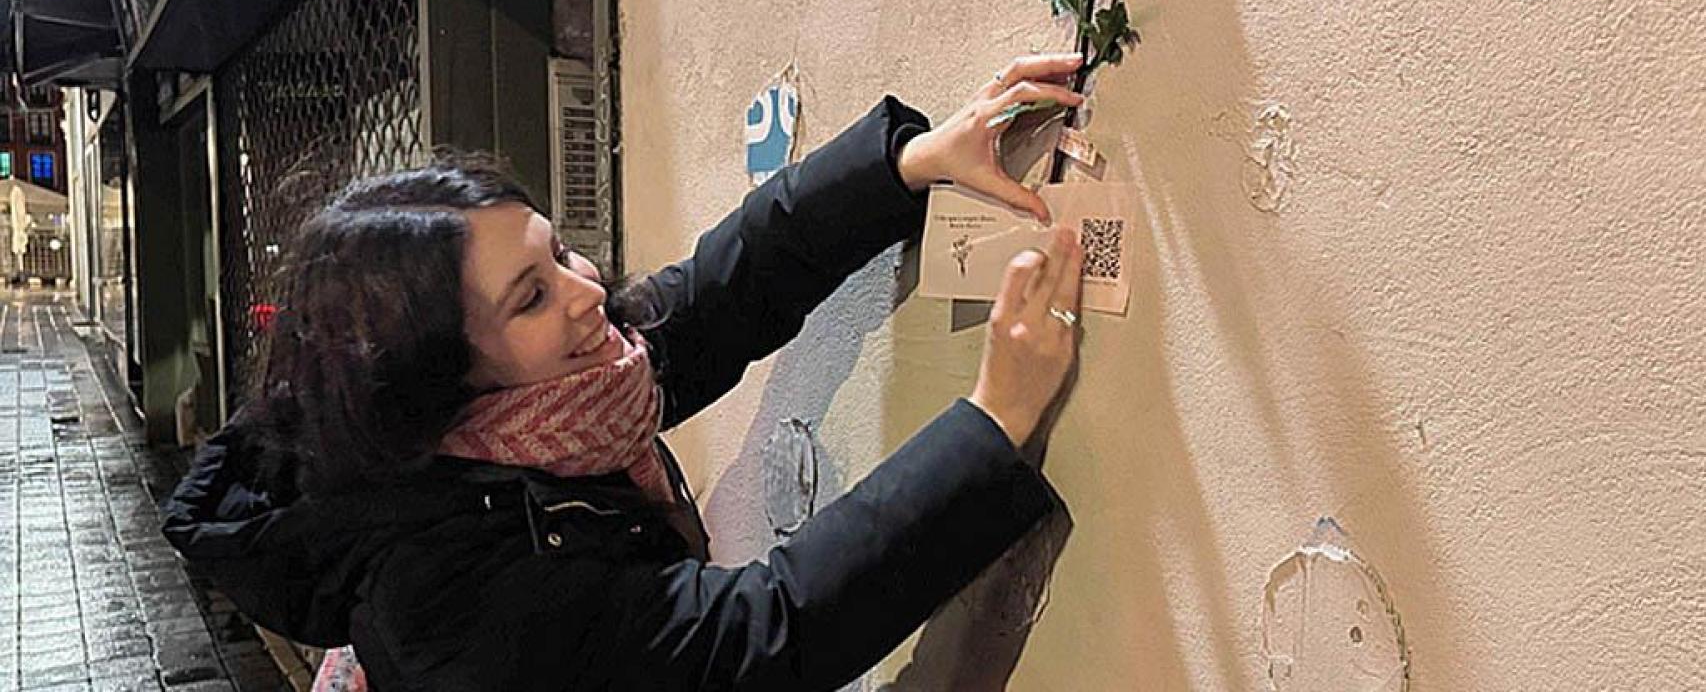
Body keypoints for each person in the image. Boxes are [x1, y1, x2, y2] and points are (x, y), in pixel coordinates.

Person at [163, 54, 1089, 691]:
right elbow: (756, 640)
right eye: (530, 297)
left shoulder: (548, 405)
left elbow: (712, 302)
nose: (588, 291)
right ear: (438, 376)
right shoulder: (445, 589)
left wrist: (908, 165)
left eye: (560, 252)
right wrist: (991, 422)